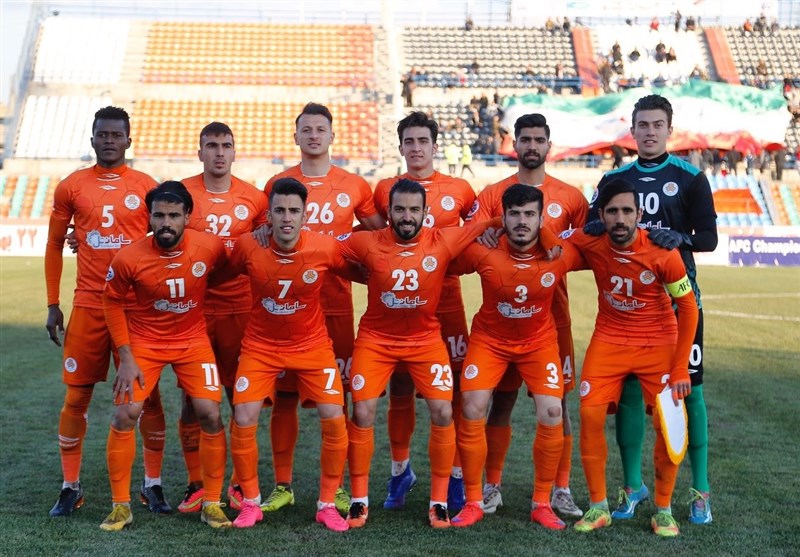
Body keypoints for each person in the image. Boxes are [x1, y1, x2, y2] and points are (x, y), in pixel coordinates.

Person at [586, 94, 717, 525]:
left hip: (679, 303)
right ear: (632, 129)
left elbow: (709, 238)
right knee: (627, 395)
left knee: (689, 393)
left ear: (669, 129)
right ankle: (632, 487)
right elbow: (591, 225)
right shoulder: (614, 178)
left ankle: (700, 490)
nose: (649, 132)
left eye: (657, 125)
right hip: (628, 312)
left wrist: (679, 238)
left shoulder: (691, 177)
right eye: (642, 124)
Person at [339, 179, 500, 529]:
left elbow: (491, 223)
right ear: (389, 212)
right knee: (362, 411)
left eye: (414, 209)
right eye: (400, 209)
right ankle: (359, 500)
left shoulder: (442, 239)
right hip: (376, 341)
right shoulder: (367, 241)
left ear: (426, 213)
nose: (407, 216)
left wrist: (545, 237)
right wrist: (361, 274)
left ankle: (438, 502)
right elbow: (325, 248)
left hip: (425, 341)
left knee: (443, 411)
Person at [44, 106, 169, 517]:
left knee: (147, 399)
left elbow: (167, 235)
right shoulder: (71, 186)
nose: (110, 140)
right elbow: (53, 245)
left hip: (135, 308)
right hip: (88, 304)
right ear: (92, 138)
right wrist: (52, 303)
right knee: (76, 396)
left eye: (117, 134)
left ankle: (152, 484)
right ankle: (70, 486)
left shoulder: (147, 187)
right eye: (103, 134)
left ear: (129, 140)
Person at [262, 102, 385, 515]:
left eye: (320, 129)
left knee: (340, 399)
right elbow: (259, 234)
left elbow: (381, 237)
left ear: (332, 136)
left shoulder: (354, 185)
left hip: (335, 308)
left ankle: (341, 486)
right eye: (307, 129)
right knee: (284, 397)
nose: (314, 135)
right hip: (287, 310)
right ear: (295, 136)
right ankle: (283, 485)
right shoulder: (277, 183)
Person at [466, 113, 588, 519]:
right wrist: (489, 227)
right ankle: (491, 486)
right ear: (514, 144)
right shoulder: (492, 194)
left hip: (553, 319)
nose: (532, 146)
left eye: (539, 140)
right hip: (501, 321)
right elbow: (472, 234)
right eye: (525, 139)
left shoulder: (571, 197)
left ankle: (561, 489)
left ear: (548, 145)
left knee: (558, 406)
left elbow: (588, 243)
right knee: (499, 402)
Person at [220, 178, 358, 532]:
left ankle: (327, 504)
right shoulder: (249, 246)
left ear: (305, 214)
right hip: (261, 347)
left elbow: (360, 270)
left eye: (293, 211)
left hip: (312, 346)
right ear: (268, 215)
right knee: (243, 415)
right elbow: (222, 271)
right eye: (279, 210)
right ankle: (251, 503)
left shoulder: (325, 248)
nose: (286, 218)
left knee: (334, 416)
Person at [569, 179, 698, 537]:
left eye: (627, 211)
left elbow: (688, 309)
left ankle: (663, 510)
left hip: (658, 344)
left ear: (640, 214)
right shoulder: (589, 241)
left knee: (669, 422)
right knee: (590, 415)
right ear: (601, 215)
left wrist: (680, 367)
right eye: (612, 211)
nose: (620, 218)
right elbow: (550, 242)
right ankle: (598, 507)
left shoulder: (663, 252)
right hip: (609, 340)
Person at [100, 180, 230, 530]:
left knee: (210, 414)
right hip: (145, 342)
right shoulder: (129, 257)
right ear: (149, 218)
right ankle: (120, 506)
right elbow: (112, 301)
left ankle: (212, 503)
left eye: (174, 215)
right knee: (125, 414)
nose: (166, 223)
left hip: (193, 341)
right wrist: (126, 357)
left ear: (187, 216)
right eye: (159, 216)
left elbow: (229, 268)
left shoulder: (209, 246)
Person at [447, 185, 570, 530]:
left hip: (538, 343)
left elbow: (600, 246)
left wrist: (550, 237)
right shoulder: (484, 250)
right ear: (504, 217)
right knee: (472, 406)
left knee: (553, 411)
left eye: (530, 214)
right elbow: (443, 250)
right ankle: (474, 500)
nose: (522, 221)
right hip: (490, 341)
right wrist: (484, 228)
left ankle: (542, 503)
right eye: (514, 214)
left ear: (541, 219)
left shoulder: (559, 253)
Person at [373, 112, 476, 512]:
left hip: (448, 305)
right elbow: (378, 240)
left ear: (435, 146)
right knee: (400, 387)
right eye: (409, 141)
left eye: (422, 141)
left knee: (452, 393)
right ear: (400, 146)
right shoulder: (385, 189)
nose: (416, 148)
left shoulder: (460, 189)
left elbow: (477, 236)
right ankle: (400, 472)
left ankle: (454, 476)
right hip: (401, 309)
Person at [176, 122, 268, 513]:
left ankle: (238, 482)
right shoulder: (182, 193)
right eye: (211, 145)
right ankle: (196, 482)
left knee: (239, 399)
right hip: (194, 311)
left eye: (225, 145)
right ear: (199, 152)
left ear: (234, 151)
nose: (218, 152)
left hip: (240, 310)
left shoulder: (255, 199)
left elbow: (270, 247)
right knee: (193, 401)